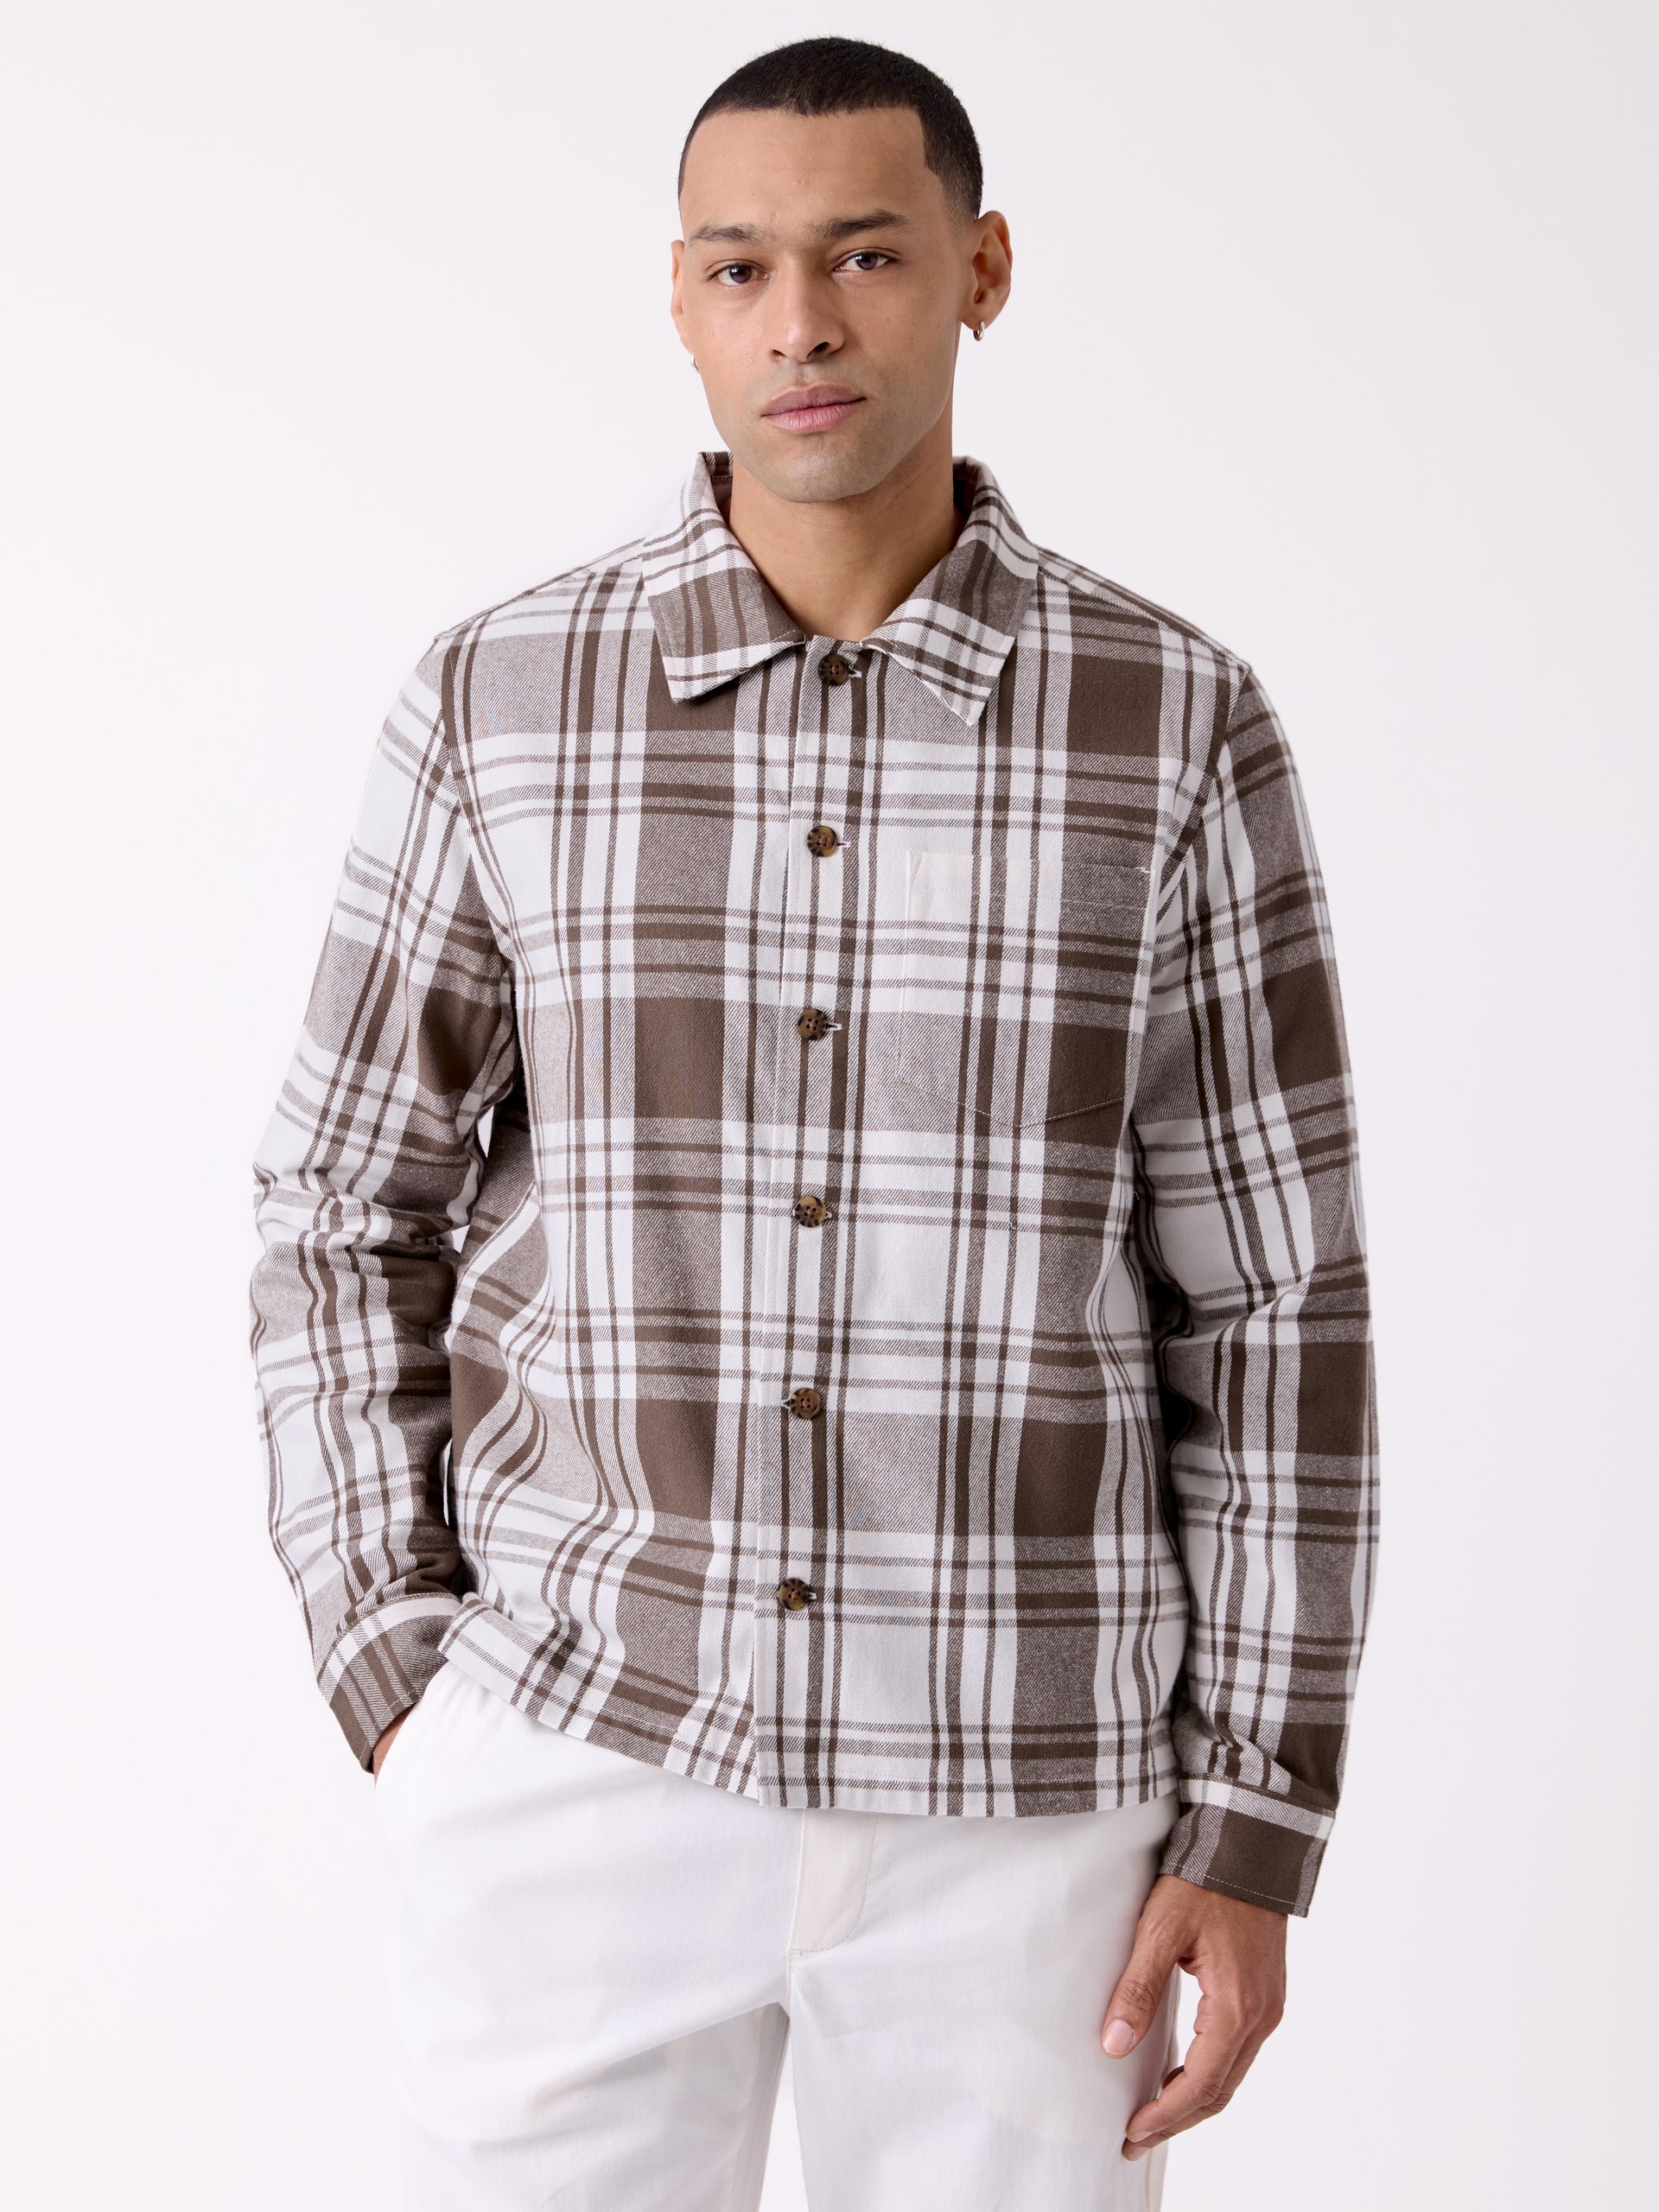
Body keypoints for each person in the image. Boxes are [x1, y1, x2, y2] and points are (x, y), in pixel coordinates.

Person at [249, 35, 1378, 2211]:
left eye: (865, 255)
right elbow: (339, 1198)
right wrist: (395, 1662)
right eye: (741, 267)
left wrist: (1257, 1817)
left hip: (1029, 1808)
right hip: (582, 1746)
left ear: (982, 270)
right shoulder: (503, 699)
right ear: (679, 296)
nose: (802, 324)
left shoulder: (1175, 723)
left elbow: (1277, 1302)